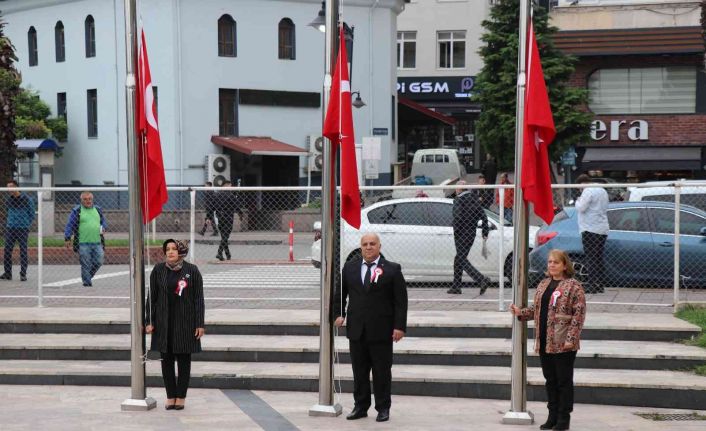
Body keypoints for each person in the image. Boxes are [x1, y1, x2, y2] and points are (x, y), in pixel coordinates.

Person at [334, 233, 408, 423]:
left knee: (382, 372)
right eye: (365, 244)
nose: (368, 247)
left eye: (372, 244)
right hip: (357, 330)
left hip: (381, 331)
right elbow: (339, 295)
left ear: (379, 246)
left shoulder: (391, 269)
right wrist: (338, 314)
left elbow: (400, 301)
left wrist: (399, 326)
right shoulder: (349, 269)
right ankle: (360, 406)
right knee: (359, 372)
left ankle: (383, 408)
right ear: (360, 247)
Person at [510, 249, 586, 431]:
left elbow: (579, 314)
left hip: (563, 342)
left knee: (563, 380)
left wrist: (571, 338)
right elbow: (538, 310)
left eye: (556, 262)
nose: (552, 265)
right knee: (550, 379)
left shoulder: (574, 286)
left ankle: (563, 417)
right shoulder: (544, 284)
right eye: (550, 262)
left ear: (565, 265)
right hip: (545, 340)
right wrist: (522, 313)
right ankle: (552, 415)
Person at [146, 239, 205, 411]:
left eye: (174, 249)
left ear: (181, 251)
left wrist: (199, 323)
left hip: (185, 324)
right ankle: (170, 396)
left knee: (184, 361)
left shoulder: (191, 271)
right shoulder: (158, 270)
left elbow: (198, 299)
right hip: (164, 323)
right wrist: (149, 320)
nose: (170, 252)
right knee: (166, 361)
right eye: (168, 249)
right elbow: (152, 298)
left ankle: (181, 397)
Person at [449, 180, 491, 295]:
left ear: (459, 189)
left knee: (461, 259)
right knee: (459, 259)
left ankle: (481, 279)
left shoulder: (459, 200)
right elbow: (484, 216)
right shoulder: (474, 199)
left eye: (456, 188)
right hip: (471, 233)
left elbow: (457, 218)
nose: (455, 190)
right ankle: (456, 286)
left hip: (461, 234)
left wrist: (456, 230)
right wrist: (485, 231)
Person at [574, 174, 609, 294]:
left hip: (590, 228)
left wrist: (577, 200)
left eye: (579, 188)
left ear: (582, 184)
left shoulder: (588, 190)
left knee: (591, 257)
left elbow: (581, 208)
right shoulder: (602, 190)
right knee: (598, 257)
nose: (580, 190)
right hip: (602, 228)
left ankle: (592, 284)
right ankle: (600, 284)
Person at [64, 191, 107, 287]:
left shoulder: (98, 210)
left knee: (99, 261)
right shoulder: (77, 211)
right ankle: (87, 283)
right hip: (82, 243)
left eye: (90, 199)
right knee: (85, 263)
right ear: (81, 200)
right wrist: (67, 237)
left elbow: (103, 221)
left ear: (92, 199)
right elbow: (70, 224)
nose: (88, 201)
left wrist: (103, 227)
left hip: (97, 242)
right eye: (85, 199)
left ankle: (87, 276)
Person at [2, 180, 34, 282]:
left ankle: (23, 273)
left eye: (11, 187)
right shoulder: (9, 200)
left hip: (22, 229)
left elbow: (31, 214)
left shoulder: (26, 199)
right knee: (7, 251)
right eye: (7, 188)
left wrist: (26, 224)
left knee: (23, 251)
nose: (9, 190)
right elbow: (8, 211)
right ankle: (8, 273)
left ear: (16, 187)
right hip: (10, 228)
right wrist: (10, 222)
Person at [215, 180, 242, 261]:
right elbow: (237, 206)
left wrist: (209, 217)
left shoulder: (217, 195)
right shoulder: (230, 195)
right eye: (230, 185)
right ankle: (219, 252)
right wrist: (240, 214)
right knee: (226, 236)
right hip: (228, 217)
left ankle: (228, 255)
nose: (231, 187)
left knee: (224, 236)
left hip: (219, 217)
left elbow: (212, 206)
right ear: (226, 185)